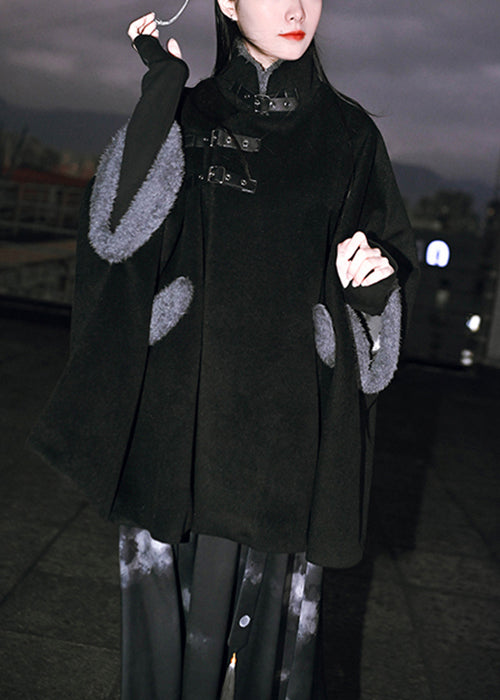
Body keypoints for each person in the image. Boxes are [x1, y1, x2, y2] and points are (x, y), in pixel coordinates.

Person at [29, 1, 419, 698]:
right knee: (163, 663)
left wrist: (373, 288)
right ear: (228, 3)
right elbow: (114, 239)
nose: (297, 8)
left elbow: (383, 288)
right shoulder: (187, 114)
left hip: (288, 437)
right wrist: (162, 93)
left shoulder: (351, 136)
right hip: (180, 425)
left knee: (266, 666)